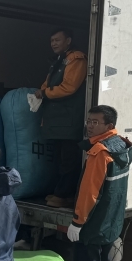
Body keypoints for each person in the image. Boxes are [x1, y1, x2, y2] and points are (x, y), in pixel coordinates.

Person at [63, 105, 132, 261]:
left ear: (109, 126)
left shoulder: (99, 153)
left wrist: (77, 222)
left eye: (95, 122)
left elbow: (88, 193)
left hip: (93, 226)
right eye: (89, 121)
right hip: (110, 223)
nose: (90, 126)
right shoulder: (122, 145)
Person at [34, 28, 87, 208]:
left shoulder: (76, 59)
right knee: (59, 158)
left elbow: (69, 87)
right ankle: (62, 192)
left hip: (69, 120)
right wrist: (41, 91)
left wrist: (45, 93)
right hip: (57, 121)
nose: (54, 43)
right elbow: (46, 84)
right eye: (52, 41)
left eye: (57, 40)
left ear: (68, 40)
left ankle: (64, 194)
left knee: (69, 159)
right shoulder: (58, 60)